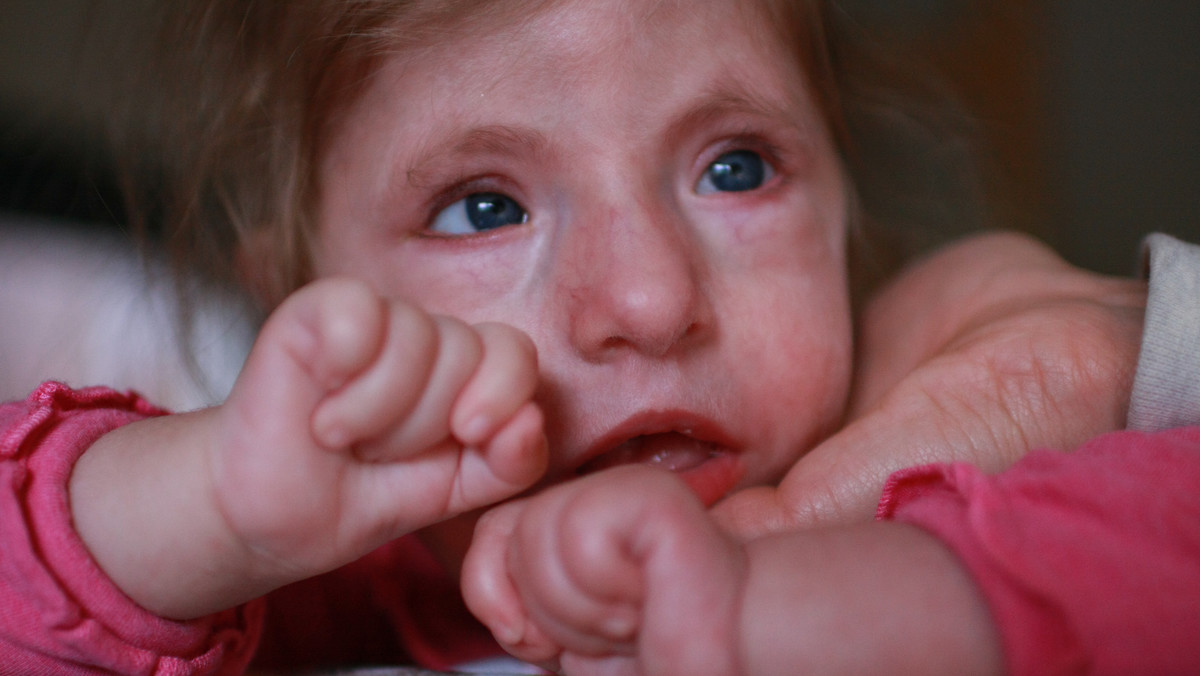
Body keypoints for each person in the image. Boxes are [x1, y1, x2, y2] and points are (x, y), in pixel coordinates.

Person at [0, 0, 1148, 673]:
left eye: (734, 168)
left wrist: (1130, 361)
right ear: (292, 308)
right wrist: (205, 513)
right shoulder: (308, 594)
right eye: (484, 207)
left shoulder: (962, 473)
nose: (650, 301)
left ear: (850, 237)